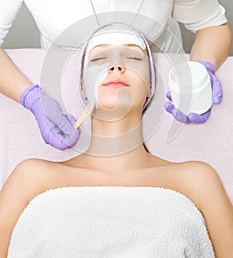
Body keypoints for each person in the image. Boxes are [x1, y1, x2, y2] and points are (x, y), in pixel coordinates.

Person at [0, 0, 232, 150]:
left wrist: (201, 69)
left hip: (165, 89)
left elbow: (212, 26)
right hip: (69, 88)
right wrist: (30, 97)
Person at [0, 24, 232, 257]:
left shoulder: (197, 180)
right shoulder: (31, 177)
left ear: (150, 87)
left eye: (133, 58)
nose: (116, 66)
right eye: (99, 58)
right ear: (83, 86)